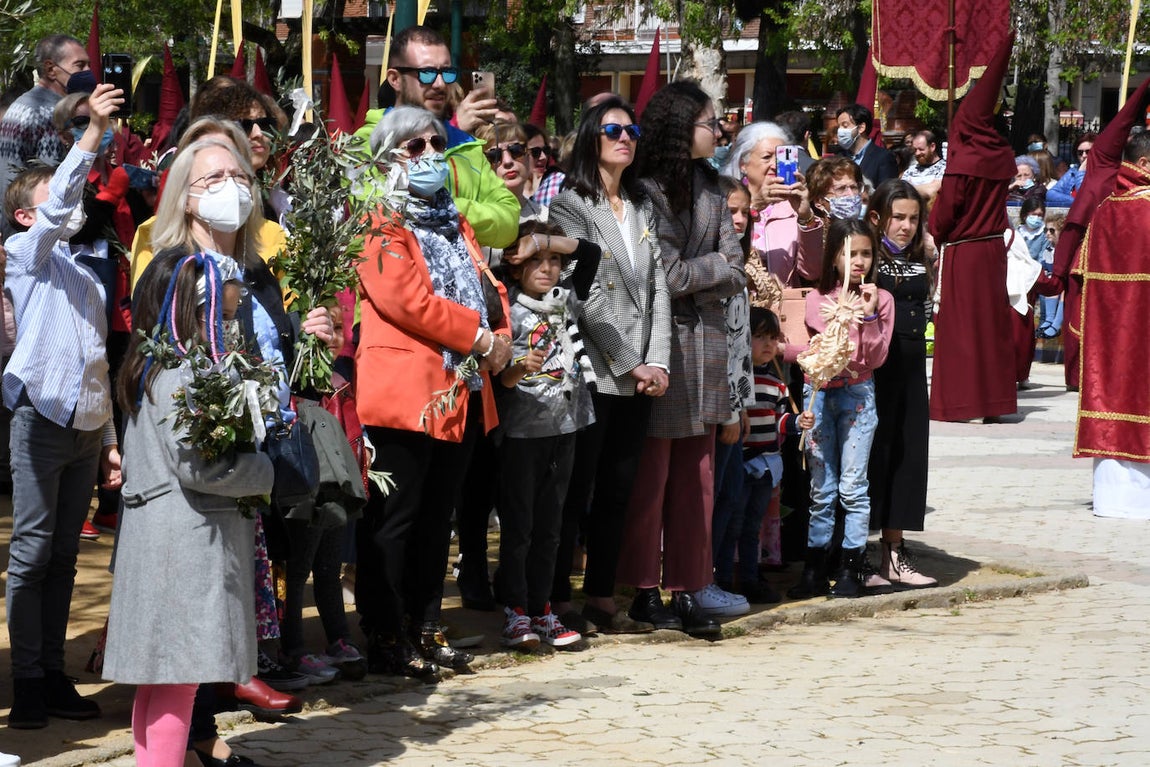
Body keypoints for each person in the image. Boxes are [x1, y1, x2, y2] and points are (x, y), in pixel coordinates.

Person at [355, 105, 512, 677]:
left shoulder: (454, 221)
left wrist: (501, 337)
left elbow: (486, 286)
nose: (430, 157)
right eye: (414, 148)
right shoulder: (377, 221)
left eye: (434, 144)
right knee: (396, 517)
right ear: (386, 161)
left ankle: (424, 624)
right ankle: (385, 632)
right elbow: (406, 301)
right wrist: (479, 338)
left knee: (437, 517)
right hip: (408, 388)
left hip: (463, 388)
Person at [104, 251, 273, 767]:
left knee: (160, 684)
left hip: (164, 538)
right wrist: (265, 469)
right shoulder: (182, 371)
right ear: (192, 307)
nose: (231, 309)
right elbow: (200, 467)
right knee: (177, 682)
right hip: (184, 543)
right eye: (220, 305)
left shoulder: (154, 365)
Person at [2, 82, 124, 730]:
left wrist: (106, 438)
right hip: (40, 420)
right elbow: (56, 213)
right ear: (24, 215)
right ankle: (25, 679)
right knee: (32, 551)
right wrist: (90, 134)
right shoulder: (27, 255)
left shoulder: (80, 271)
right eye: (54, 196)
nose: (69, 205)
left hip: (82, 427)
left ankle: (51, 673)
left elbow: (95, 358)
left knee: (67, 557)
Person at [616, 82, 747, 635]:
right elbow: (664, 276)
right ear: (678, 126)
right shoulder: (646, 190)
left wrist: (708, 268)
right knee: (654, 476)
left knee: (698, 476)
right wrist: (713, 266)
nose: (716, 130)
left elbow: (737, 264)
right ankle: (643, 587)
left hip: (709, 345)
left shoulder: (716, 187)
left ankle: (692, 585)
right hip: (663, 347)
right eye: (707, 121)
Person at [548, 96, 672, 635]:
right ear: (591, 137)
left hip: (644, 371)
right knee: (578, 490)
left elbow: (659, 285)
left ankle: (601, 597)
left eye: (632, 130)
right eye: (613, 129)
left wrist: (659, 359)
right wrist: (630, 363)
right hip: (596, 370)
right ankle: (555, 598)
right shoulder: (572, 204)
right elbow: (585, 293)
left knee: (620, 489)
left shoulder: (643, 205)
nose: (625, 137)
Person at [493, 222, 600, 649]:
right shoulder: (505, 308)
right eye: (536, 261)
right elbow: (502, 376)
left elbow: (589, 254)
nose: (548, 268)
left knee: (552, 528)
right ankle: (515, 610)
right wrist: (522, 367)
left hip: (566, 427)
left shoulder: (565, 302)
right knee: (519, 527)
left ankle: (542, 608)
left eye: (555, 261)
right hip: (523, 433)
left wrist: (543, 241)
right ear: (515, 268)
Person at [788, 218, 893, 600]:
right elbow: (808, 349)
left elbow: (874, 356)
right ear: (834, 257)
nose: (859, 261)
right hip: (820, 393)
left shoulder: (881, 300)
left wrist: (866, 316)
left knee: (853, 486)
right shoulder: (818, 300)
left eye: (866, 253)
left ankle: (852, 567)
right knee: (822, 487)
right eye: (850, 253)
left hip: (857, 394)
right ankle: (815, 568)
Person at [353, 25, 519, 248]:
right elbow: (375, 213)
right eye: (427, 73)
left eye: (447, 73)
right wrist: (467, 212)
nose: (440, 84)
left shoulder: (467, 146)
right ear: (395, 79)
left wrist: (443, 207)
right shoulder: (366, 143)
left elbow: (508, 224)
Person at [927, 35, 1017, 423]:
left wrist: (935, 227)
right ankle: (994, 402)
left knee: (961, 327)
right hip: (993, 248)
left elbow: (947, 210)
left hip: (964, 249)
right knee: (991, 326)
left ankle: (961, 403)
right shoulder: (1001, 154)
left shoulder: (963, 157)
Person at [1073, 129, 1150, 518]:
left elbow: (1079, 278)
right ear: (1145, 164)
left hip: (1110, 343)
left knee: (1114, 400)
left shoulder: (1104, 211)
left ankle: (1114, 500)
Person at [865, 180, 938, 589]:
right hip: (873, 371)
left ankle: (895, 551)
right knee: (873, 456)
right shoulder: (867, 256)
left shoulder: (923, 257)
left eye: (913, 218)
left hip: (911, 369)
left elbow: (927, 305)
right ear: (878, 217)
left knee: (908, 457)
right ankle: (858, 552)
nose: (906, 226)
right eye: (899, 218)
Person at [717, 306, 798, 602]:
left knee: (752, 528)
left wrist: (798, 423)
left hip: (766, 467)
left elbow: (779, 420)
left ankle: (750, 579)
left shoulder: (778, 384)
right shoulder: (740, 380)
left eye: (773, 338)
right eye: (759, 336)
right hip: (742, 463)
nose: (767, 344)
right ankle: (723, 579)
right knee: (732, 524)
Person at [0, 34, 90, 231]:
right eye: (80, 65)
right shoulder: (52, 113)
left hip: (14, 222)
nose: (88, 72)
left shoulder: (21, 105)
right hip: (36, 232)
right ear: (51, 69)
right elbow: (55, 185)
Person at [721, 121, 822, 286]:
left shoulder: (791, 208)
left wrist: (806, 217)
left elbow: (812, 272)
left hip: (782, 307)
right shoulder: (725, 201)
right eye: (767, 157)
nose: (775, 165)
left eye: (781, 157)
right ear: (743, 164)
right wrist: (754, 207)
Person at [834, 103, 898, 187]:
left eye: (845, 126)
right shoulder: (837, 158)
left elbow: (887, 193)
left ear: (861, 128)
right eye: (839, 127)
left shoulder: (883, 157)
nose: (840, 131)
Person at [806, 156, 865, 221]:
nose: (851, 194)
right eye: (841, 189)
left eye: (853, 187)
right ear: (819, 201)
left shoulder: (866, 230)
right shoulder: (813, 230)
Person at [1045, 134, 1095, 208]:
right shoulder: (1073, 171)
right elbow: (1050, 194)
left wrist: (1081, 171)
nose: (1084, 156)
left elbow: (1085, 198)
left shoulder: (1102, 174)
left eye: (1088, 152)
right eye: (1080, 153)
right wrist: (1073, 201)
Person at [900, 129, 946, 202]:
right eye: (915, 150)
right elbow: (900, 192)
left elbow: (932, 191)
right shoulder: (910, 170)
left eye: (921, 149)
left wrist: (908, 188)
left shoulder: (944, 169)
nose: (917, 153)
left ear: (932, 147)